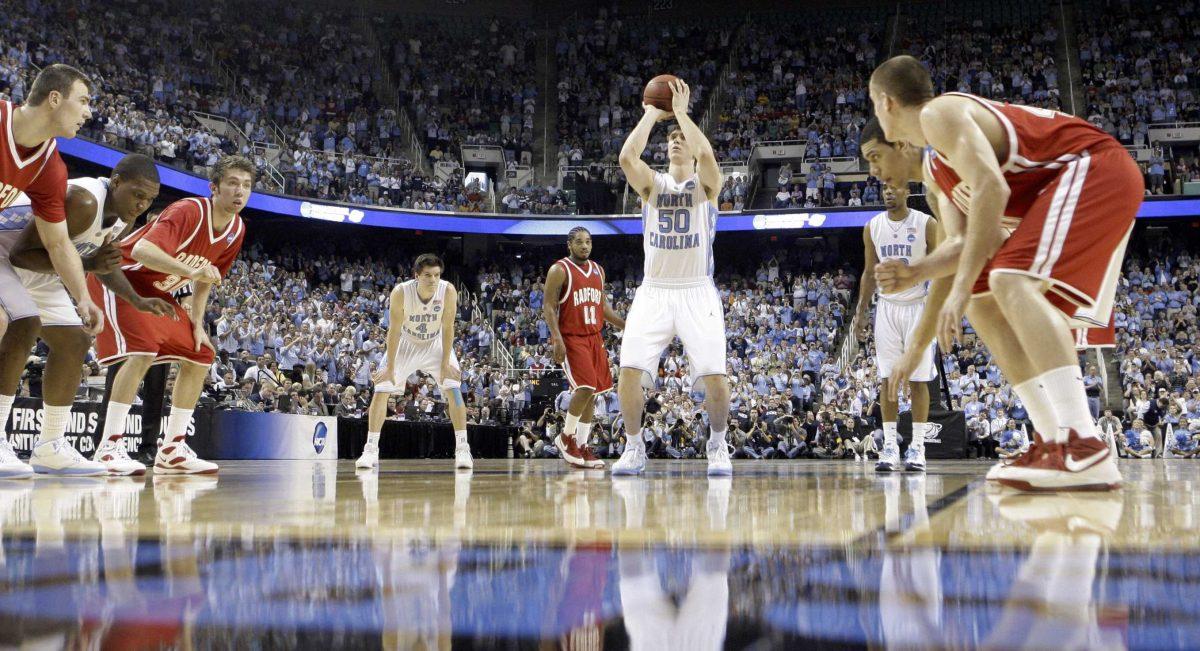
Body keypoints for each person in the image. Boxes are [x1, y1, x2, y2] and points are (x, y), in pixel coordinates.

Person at [869, 55, 1142, 491]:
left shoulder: (940, 113)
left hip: (1095, 166)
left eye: (873, 104)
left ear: (885, 102)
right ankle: (1052, 439)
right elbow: (963, 246)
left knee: (1007, 279)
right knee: (983, 292)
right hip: (1071, 183)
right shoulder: (937, 171)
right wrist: (915, 270)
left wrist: (954, 292)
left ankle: (1084, 443)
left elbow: (992, 188)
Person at [0, 154, 170, 476]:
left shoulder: (122, 217)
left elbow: (102, 263)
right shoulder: (84, 200)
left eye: (149, 199)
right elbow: (23, 254)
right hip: (7, 257)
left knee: (75, 341)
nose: (142, 205)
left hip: (42, 270)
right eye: (138, 194)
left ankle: (50, 446)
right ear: (116, 182)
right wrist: (89, 266)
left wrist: (136, 299)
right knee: (25, 326)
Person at [88, 155, 253, 475]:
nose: (240, 191)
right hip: (117, 277)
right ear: (214, 188)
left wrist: (197, 324)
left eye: (246, 186)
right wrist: (189, 268)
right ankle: (108, 447)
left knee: (201, 352)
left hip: (154, 291)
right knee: (143, 349)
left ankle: (172, 447)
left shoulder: (237, 229)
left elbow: (207, 279)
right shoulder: (189, 210)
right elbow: (141, 252)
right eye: (232, 183)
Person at [616, 78, 731, 476]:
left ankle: (717, 445)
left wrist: (682, 112)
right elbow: (628, 159)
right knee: (629, 372)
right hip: (655, 291)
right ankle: (634, 448)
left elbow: (711, 158)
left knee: (715, 377)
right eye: (672, 138)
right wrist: (652, 112)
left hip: (697, 291)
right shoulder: (654, 185)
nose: (676, 141)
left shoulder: (707, 187)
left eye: (683, 137)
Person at [0, 64, 104, 478]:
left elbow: (58, 243)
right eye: (83, 101)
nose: (88, 112)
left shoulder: (49, 166)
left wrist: (83, 298)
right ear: (55, 98)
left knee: (41, 326)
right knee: (10, 317)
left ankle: (43, 445)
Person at [356, 254, 473, 471]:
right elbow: (394, 330)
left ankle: (463, 449)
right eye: (427, 275)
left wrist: (446, 361)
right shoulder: (401, 292)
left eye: (437, 275)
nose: (433, 279)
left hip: (435, 343)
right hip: (406, 342)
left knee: (454, 389)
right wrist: (390, 367)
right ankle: (370, 450)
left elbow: (448, 328)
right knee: (381, 389)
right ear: (416, 275)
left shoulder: (447, 291)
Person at [853, 181, 938, 472]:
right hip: (887, 307)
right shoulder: (872, 226)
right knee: (887, 379)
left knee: (918, 380)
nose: (889, 191)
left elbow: (941, 271)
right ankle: (890, 446)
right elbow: (868, 272)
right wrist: (861, 312)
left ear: (906, 191)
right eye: (885, 188)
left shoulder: (927, 224)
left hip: (919, 305)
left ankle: (918, 447)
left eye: (894, 187)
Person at [543, 226, 624, 470]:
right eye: (579, 241)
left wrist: (626, 326)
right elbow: (548, 307)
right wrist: (556, 338)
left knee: (594, 392)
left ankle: (582, 444)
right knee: (585, 385)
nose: (585, 246)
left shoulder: (598, 270)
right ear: (569, 244)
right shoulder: (559, 269)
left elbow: (604, 309)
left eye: (588, 241)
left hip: (594, 337)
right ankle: (566, 437)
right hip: (572, 337)